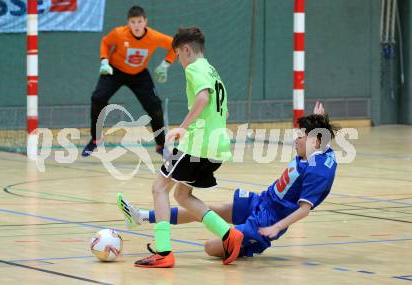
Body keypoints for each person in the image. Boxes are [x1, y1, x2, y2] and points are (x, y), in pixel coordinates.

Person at [118, 102, 339, 259]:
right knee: (210, 209)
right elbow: (321, 140)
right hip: (263, 201)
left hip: (269, 220)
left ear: (314, 141)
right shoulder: (317, 149)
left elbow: (304, 210)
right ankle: (143, 216)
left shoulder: (319, 171)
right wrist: (318, 119)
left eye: (300, 137)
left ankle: (243, 246)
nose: (295, 140)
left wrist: (276, 227)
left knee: (209, 248)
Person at [123, 27, 244, 268]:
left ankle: (163, 251)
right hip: (217, 147)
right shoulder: (212, 70)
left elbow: (203, 98)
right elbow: (224, 109)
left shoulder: (194, 68)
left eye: (178, 54)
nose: (178, 60)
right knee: (181, 194)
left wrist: (183, 127)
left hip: (196, 145)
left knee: (159, 188)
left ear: (186, 50)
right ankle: (229, 235)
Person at [82, 5, 176, 157]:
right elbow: (105, 42)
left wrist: (165, 65)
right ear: (128, 23)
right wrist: (104, 61)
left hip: (139, 74)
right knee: (97, 98)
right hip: (114, 71)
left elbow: (174, 45)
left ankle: (161, 145)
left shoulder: (154, 36)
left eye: (139, 22)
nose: (136, 26)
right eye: (133, 22)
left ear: (146, 21)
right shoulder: (119, 33)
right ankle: (95, 139)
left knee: (155, 107)